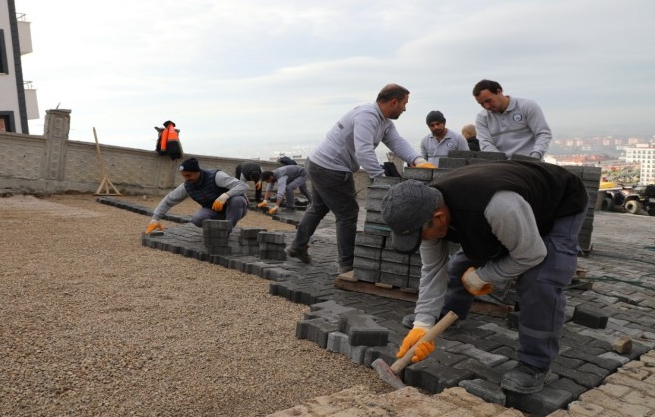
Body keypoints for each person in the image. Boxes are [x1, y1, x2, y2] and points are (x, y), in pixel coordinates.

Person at [381, 160, 588, 394]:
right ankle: (447, 317)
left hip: (559, 205)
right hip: (513, 210)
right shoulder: (424, 210)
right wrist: (423, 323)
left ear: (439, 217)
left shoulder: (497, 206)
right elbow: (433, 270)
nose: (423, 241)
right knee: (460, 265)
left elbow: (531, 254)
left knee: (539, 281)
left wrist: (484, 276)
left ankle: (535, 364)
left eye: (422, 235)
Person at [285, 83, 435, 274]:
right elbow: (364, 151)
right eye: (404, 104)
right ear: (394, 102)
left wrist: (419, 161)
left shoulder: (384, 122)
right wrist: (381, 178)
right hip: (330, 168)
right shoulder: (367, 116)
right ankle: (347, 264)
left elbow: (397, 143)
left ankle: (297, 246)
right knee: (347, 214)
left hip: (319, 163)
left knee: (318, 208)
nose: (405, 109)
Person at [145, 158, 249, 233]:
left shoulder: (216, 176)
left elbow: (243, 185)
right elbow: (169, 200)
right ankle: (218, 230)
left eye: (188, 175)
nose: (186, 178)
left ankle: (226, 231)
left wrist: (226, 195)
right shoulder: (187, 186)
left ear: (197, 171)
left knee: (237, 200)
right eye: (184, 176)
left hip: (235, 208)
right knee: (197, 219)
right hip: (214, 210)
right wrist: (155, 219)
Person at [473, 79, 552, 159]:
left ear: (499, 92)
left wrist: (535, 155)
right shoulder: (482, 118)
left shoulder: (527, 106)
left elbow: (543, 134)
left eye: (488, 101)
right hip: (501, 163)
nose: (486, 106)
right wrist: (501, 161)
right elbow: (486, 144)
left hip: (530, 162)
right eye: (481, 104)